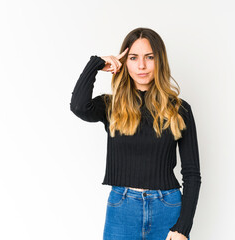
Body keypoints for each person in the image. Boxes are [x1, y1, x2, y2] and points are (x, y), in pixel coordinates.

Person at [70, 27, 201, 240]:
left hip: (167, 207)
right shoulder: (111, 105)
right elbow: (79, 107)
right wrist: (97, 64)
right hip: (122, 208)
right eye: (133, 57)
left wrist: (182, 228)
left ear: (160, 61)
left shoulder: (179, 109)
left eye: (149, 57)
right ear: (124, 62)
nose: (141, 65)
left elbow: (192, 173)